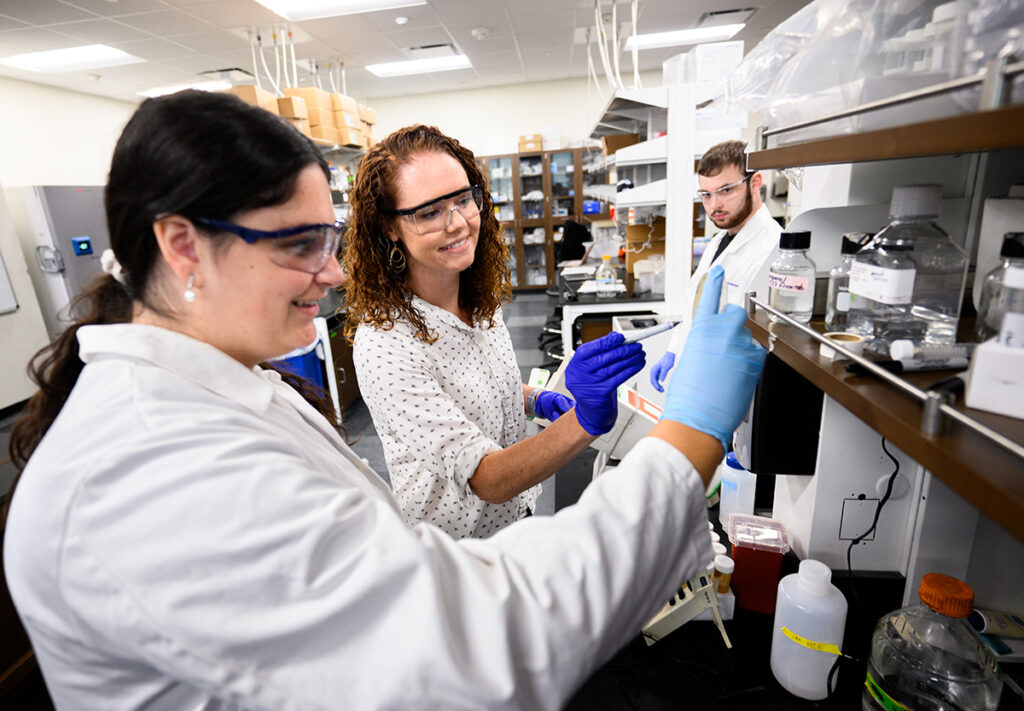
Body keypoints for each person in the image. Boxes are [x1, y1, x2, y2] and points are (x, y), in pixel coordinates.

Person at [3, 90, 765, 710]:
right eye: (298, 244)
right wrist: (688, 437)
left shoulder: (221, 385)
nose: (331, 276)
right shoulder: (149, 469)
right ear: (181, 247)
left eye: (326, 240)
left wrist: (545, 398)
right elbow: (466, 653)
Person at [345, 125, 645, 539]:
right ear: (389, 227)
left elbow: (472, 388)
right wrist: (583, 421)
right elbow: (484, 476)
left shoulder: (476, 298)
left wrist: (534, 400)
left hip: (516, 520)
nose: (458, 223)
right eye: (429, 212)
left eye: (464, 200)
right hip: (456, 553)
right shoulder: (386, 344)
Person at [650, 139, 783, 392]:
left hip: (728, 387)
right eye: (706, 195)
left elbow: (755, 337)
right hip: (698, 375)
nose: (714, 205)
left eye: (726, 190)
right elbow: (695, 308)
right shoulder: (721, 240)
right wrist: (673, 351)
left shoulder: (770, 248)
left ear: (755, 183)